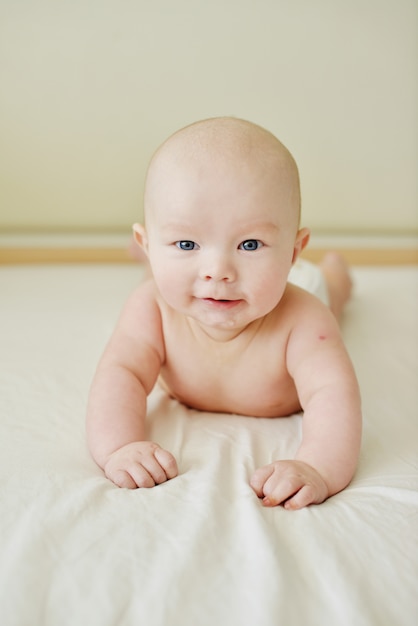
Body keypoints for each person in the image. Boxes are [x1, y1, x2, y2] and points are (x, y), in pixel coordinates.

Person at [86, 117, 362, 510]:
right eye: (186, 241)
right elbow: (121, 374)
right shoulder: (152, 308)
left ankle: (337, 272)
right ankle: (157, 259)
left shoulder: (306, 321)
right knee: (172, 283)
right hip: (180, 288)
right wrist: (120, 447)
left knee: (327, 287)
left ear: (293, 250)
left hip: (298, 288)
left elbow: (333, 395)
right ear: (148, 240)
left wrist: (317, 467)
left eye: (250, 244)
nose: (219, 270)